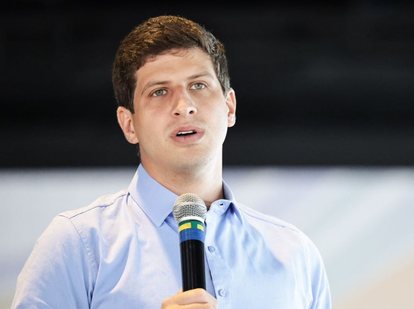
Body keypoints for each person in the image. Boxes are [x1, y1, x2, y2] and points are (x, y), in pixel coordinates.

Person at [11, 15, 331, 308]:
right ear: (129, 124)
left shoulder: (294, 252)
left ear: (229, 107)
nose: (184, 106)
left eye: (198, 85)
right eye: (160, 92)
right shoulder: (78, 243)